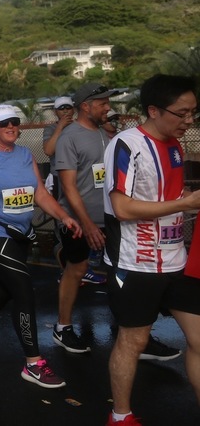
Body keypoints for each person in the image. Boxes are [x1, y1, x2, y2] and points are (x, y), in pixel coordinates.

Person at [0, 104, 81, 389]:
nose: (11, 127)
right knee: (22, 289)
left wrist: (65, 216)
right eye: (3, 123)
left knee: (5, 290)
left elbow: (41, 193)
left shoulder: (24, 155)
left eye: (15, 122)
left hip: (20, 233)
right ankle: (34, 363)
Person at [103, 74, 200, 426]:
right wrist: (184, 203)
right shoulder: (127, 144)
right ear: (154, 110)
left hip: (177, 259)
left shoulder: (175, 145)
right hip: (136, 262)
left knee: (199, 338)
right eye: (183, 113)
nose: (189, 121)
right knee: (134, 339)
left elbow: (171, 199)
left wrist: (185, 205)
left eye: (193, 113)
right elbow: (123, 208)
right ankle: (120, 415)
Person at [51, 82, 116, 355]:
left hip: (110, 218)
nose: (108, 107)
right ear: (86, 106)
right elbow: (68, 186)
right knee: (76, 270)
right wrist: (87, 224)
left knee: (119, 271)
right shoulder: (70, 137)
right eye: (102, 103)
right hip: (78, 220)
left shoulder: (106, 134)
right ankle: (63, 328)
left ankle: (133, 329)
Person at [42, 96, 75, 200]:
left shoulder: (79, 126)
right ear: (55, 112)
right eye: (61, 108)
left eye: (68, 108)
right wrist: (60, 127)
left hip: (79, 174)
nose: (65, 111)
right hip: (59, 176)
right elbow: (48, 150)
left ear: (73, 110)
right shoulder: (50, 129)